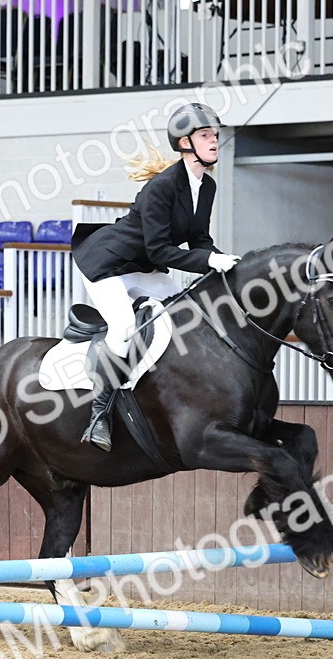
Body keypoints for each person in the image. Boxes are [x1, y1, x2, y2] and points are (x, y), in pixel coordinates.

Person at [71, 102, 242, 452]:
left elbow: (199, 240)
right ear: (184, 144)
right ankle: (99, 416)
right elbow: (162, 249)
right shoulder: (162, 187)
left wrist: (221, 259)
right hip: (108, 266)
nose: (214, 141)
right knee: (122, 328)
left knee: (187, 315)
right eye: (206, 135)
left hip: (144, 267)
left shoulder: (205, 186)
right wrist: (209, 260)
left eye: (215, 135)